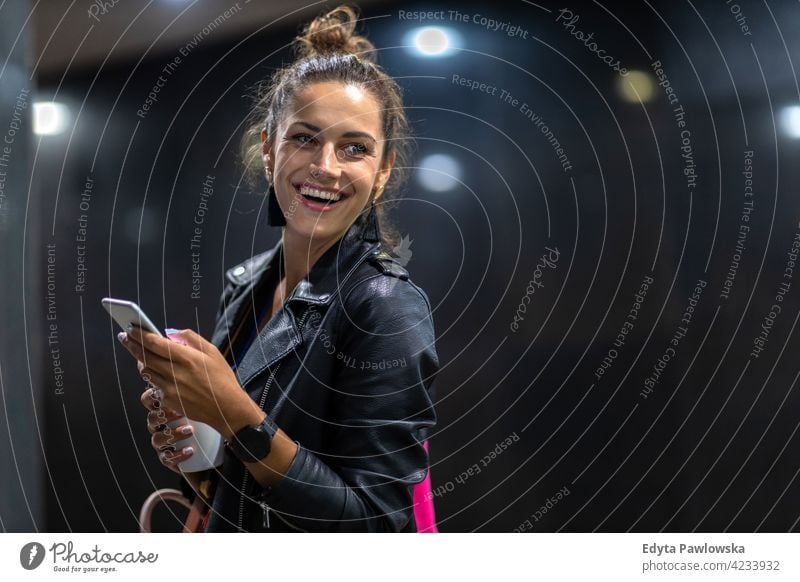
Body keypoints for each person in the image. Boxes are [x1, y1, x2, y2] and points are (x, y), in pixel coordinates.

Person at [118, 5, 439, 532]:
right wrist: (194, 443)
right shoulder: (246, 286)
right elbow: (238, 480)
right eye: (304, 138)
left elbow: (379, 528)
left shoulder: (385, 306)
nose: (326, 167)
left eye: (353, 148)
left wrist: (233, 415)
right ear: (269, 151)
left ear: (380, 174)